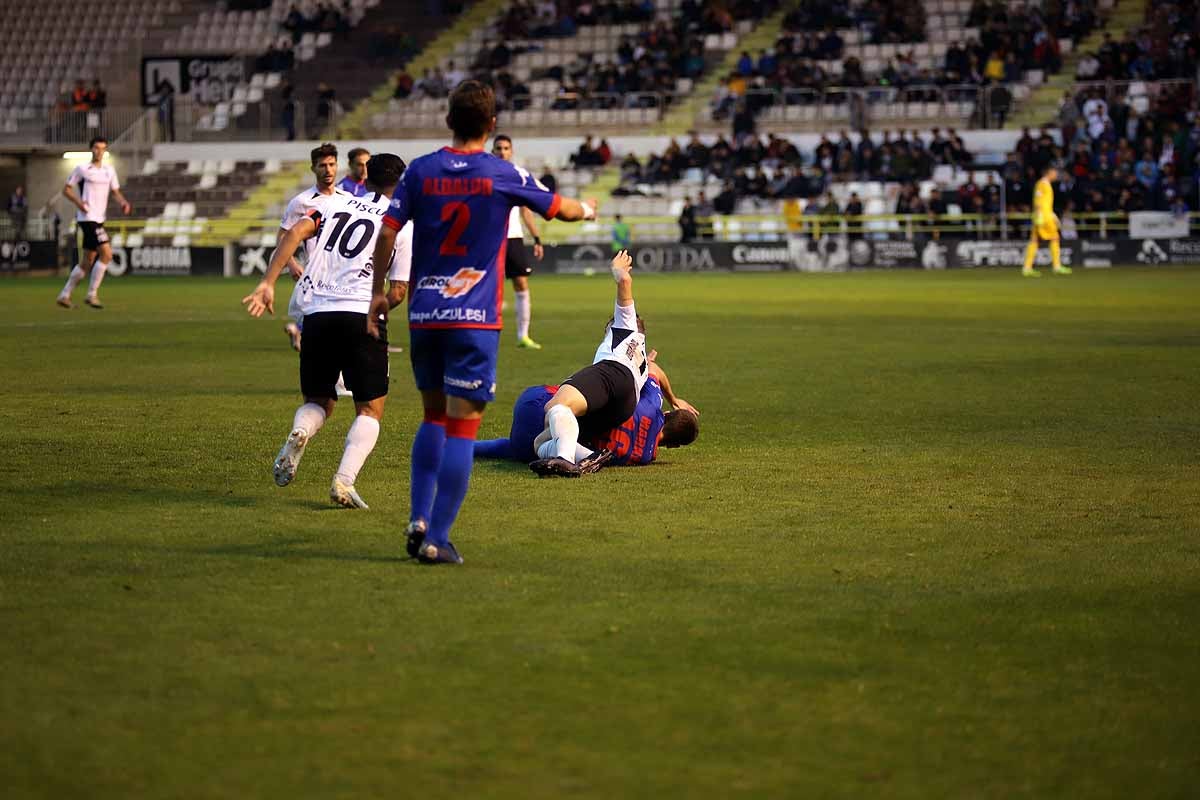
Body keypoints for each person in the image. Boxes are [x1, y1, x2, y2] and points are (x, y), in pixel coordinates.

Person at [367, 79, 597, 565]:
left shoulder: (420, 173)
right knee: (462, 428)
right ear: (491, 125)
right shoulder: (502, 172)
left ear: (449, 120)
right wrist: (588, 208)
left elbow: (387, 231)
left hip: (426, 314)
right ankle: (439, 537)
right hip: (474, 319)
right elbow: (564, 211)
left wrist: (376, 294)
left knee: (432, 417)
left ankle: (417, 518)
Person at [242, 154, 413, 508]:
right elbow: (397, 290)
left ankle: (301, 431)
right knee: (369, 409)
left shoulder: (335, 204)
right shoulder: (402, 223)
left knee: (318, 401)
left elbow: (297, 231)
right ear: (402, 184)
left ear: (364, 181)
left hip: (317, 313)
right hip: (359, 315)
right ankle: (343, 482)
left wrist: (268, 281)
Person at [529, 249, 657, 478]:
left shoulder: (626, 326)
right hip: (625, 405)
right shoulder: (641, 357)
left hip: (612, 373)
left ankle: (565, 459)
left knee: (555, 406)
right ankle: (589, 456)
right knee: (539, 443)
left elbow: (625, 282)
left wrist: (618, 271)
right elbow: (651, 372)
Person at [475, 360, 699, 467]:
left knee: (570, 399)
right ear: (673, 445)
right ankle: (459, 446)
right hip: (530, 449)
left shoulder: (651, 404)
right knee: (508, 448)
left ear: (668, 413)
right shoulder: (643, 458)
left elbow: (653, 369)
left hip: (535, 405)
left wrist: (673, 397)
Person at [278, 143, 349, 353]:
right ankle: (335, 382)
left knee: (340, 332)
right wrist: (291, 263)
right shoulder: (302, 202)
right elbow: (283, 236)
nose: (328, 170)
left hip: (343, 275)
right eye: (322, 165)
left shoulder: (347, 200)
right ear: (313, 168)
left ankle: (338, 380)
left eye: (332, 164)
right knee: (322, 332)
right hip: (315, 275)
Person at [56, 137, 132, 310]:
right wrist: (79, 203)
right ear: (91, 149)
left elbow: (115, 192)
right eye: (97, 148)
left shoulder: (109, 170)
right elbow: (66, 190)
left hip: (99, 219)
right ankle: (92, 295)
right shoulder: (82, 169)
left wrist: (123, 202)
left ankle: (65, 295)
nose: (99, 151)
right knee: (106, 254)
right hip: (87, 218)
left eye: (103, 148)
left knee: (87, 261)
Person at [491, 134, 546, 349]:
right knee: (487, 286)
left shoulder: (518, 177)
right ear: (493, 151)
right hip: (491, 237)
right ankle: (486, 333)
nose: (503, 151)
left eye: (506, 148)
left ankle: (523, 335)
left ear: (511, 151)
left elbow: (526, 211)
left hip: (513, 237)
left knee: (521, 283)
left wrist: (537, 238)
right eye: (499, 148)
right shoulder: (486, 175)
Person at [1022, 164, 1071, 278]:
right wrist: (1040, 216)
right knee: (1055, 238)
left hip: (1044, 215)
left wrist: (1053, 215)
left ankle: (1027, 268)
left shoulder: (1046, 184)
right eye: (1055, 172)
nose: (1056, 175)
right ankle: (1057, 266)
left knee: (1034, 240)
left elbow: (1045, 203)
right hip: (1043, 217)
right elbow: (1038, 201)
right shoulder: (1042, 184)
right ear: (1049, 173)